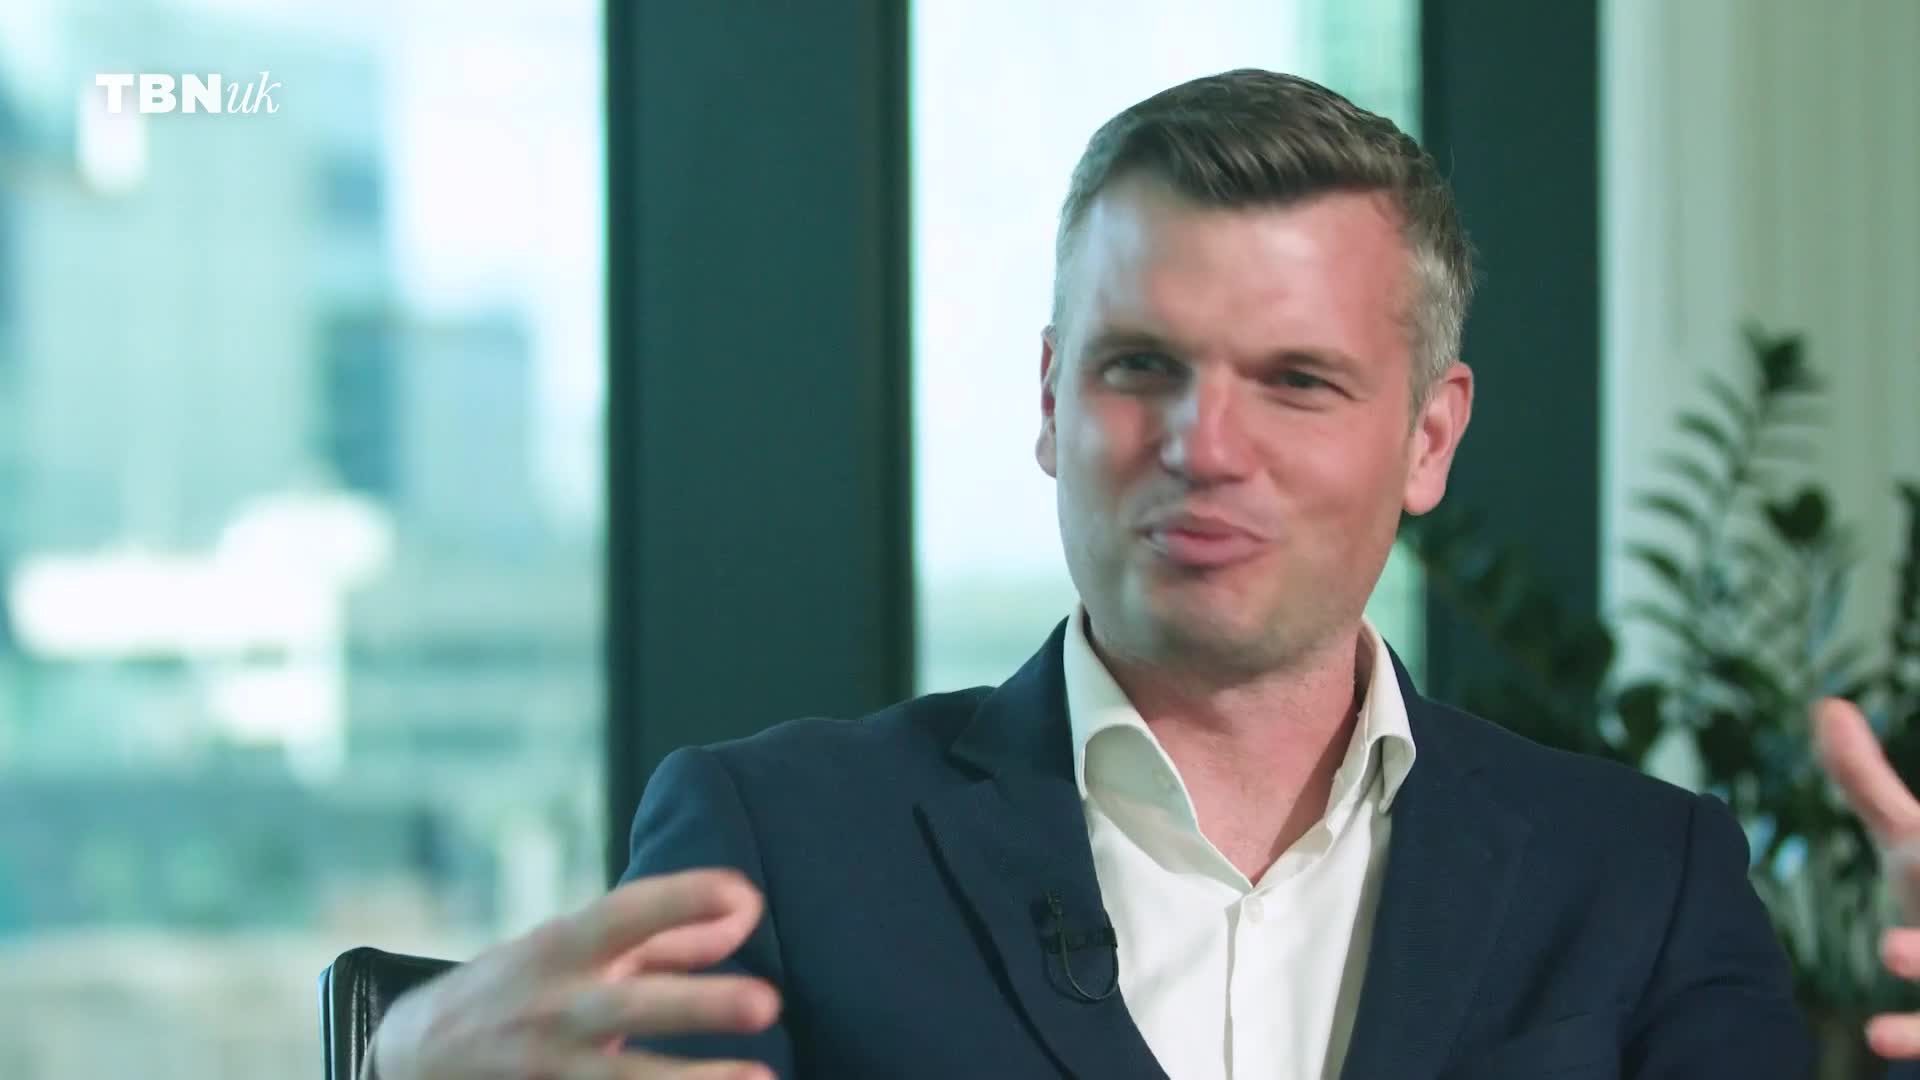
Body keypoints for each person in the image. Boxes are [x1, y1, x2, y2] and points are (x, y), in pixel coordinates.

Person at [368, 69, 1920, 1079]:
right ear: (1050, 402)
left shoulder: (1640, 881)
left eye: (1298, 381)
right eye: (1140, 366)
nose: (1204, 445)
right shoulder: (775, 840)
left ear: (1430, 438)